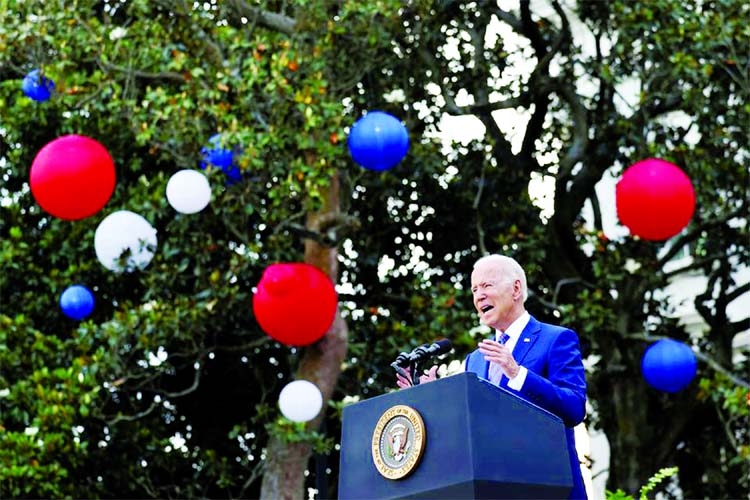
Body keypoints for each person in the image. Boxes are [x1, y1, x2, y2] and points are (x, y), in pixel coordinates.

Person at [396, 254, 588, 500]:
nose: (478, 296)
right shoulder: (474, 360)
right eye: (475, 289)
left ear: (516, 289)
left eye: (487, 285)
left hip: (548, 488)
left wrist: (518, 373)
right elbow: (470, 427)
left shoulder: (556, 339)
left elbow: (574, 408)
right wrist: (437, 398)